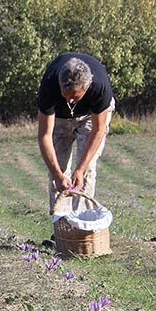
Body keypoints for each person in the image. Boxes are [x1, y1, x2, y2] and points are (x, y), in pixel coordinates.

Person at [36, 52, 115, 214]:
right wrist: (57, 174)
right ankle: (62, 225)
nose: (69, 101)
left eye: (74, 97)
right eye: (66, 95)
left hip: (89, 118)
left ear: (87, 87)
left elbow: (98, 129)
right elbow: (44, 135)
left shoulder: (99, 87)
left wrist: (80, 168)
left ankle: (81, 223)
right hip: (59, 118)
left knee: (86, 171)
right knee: (57, 170)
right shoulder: (49, 86)